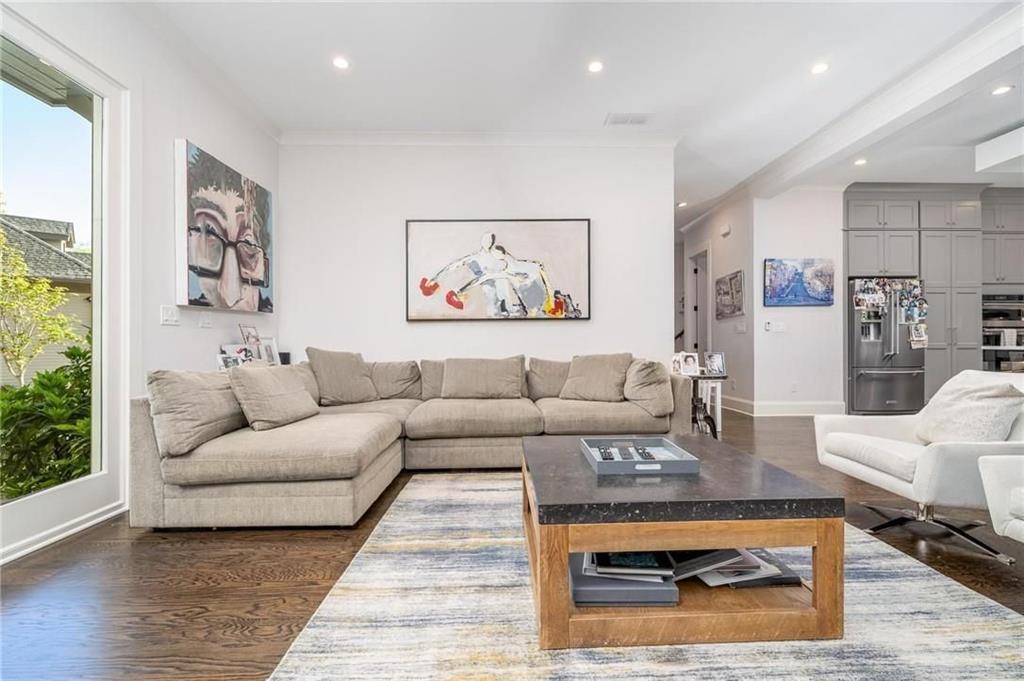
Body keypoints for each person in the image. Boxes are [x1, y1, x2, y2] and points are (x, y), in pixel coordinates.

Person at [419, 232, 580, 318]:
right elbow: (481, 276)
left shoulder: (522, 268)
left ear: (502, 254)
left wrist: (551, 299)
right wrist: (458, 290)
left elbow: (540, 271)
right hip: (531, 308)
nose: (494, 257)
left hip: (541, 307)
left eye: (495, 253)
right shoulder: (504, 270)